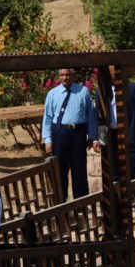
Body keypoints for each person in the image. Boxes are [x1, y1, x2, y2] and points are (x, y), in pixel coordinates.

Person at [42, 68, 99, 201]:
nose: (65, 78)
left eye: (67, 75)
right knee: (60, 171)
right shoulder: (52, 94)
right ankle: (60, 204)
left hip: (78, 133)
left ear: (73, 76)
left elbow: (90, 115)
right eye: (62, 75)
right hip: (60, 134)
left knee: (79, 170)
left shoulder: (82, 91)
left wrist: (92, 136)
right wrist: (48, 140)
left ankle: (81, 205)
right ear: (58, 76)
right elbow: (48, 118)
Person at [108, 81, 135, 184]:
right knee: (114, 169)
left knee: (132, 166)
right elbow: (99, 115)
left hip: (130, 133)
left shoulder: (132, 88)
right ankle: (118, 198)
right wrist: (98, 138)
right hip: (112, 135)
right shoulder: (103, 89)